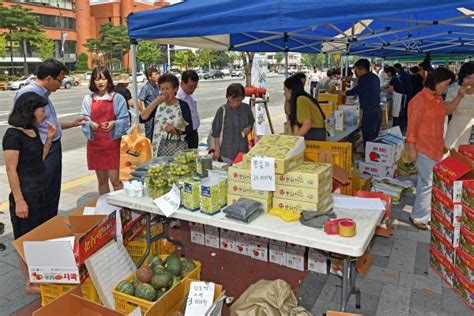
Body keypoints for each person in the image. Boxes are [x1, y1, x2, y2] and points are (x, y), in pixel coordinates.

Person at [13, 59, 85, 218]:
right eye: (60, 80)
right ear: (49, 78)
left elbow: (48, 124)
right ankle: (43, 225)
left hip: (51, 146)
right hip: (42, 150)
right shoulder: (29, 94)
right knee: (43, 190)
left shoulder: (43, 93)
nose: (61, 84)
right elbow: (23, 125)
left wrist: (71, 124)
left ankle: (50, 223)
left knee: (52, 189)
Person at [3, 92, 57, 293]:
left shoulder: (32, 130)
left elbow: (38, 160)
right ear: (30, 111)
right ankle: (29, 282)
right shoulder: (12, 135)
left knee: (41, 235)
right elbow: (11, 169)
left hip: (41, 191)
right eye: (42, 110)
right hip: (26, 194)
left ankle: (40, 274)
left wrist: (49, 140)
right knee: (25, 239)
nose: (44, 114)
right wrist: (19, 200)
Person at [406, 67, 466, 230]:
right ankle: (418, 217)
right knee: (428, 182)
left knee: (425, 182)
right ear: (437, 82)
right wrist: (411, 149)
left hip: (434, 148)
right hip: (422, 148)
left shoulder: (437, 98)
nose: (446, 88)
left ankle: (423, 214)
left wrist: (459, 97)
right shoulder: (419, 101)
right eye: (445, 84)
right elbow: (412, 128)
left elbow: (446, 111)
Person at [81, 67, 130, 195]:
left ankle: (121, 210)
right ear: (92, 81)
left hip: (113, 144)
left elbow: (125, 120)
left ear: (108, 80)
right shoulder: (88, 99)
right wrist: (90, 123)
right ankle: (105, 210)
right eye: (97, 79)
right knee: (102, 181)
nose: (100, 82)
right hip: (95, 145)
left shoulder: (118, 98)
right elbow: (84, 118)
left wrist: (114, 123)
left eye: (103, 78)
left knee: (116, 181)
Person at [140, 74, 192, 156]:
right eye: (162, 89)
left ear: (175, 89)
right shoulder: (158, 105)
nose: (164, 92)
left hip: (176, 148)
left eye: (167, 89)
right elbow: (142, 118)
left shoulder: (182, 105)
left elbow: (189, 128)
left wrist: (174, 130)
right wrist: (156, 101)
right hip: (157, 148)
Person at [211, 83, 255, 162]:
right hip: (226, 153)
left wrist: (248, 128)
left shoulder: (246, 108)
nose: (235, 103)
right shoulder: (222, 110)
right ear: (227, 97)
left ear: (242, 98)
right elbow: (216, 133)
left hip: (242, 151)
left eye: (238, 100)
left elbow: (251, 123)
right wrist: (217, 150)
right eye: (232, 100)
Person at [341, 59, 381, 143]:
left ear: (362, 69)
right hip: (377, 111)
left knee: (368, 136)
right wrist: (349, 78)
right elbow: (360, 82)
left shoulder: (364, 79)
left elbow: (352, 92)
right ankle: (370, 153)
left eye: (356, 69)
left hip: (369, 112)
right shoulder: (374, 77)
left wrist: (340, 93)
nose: (355, 72)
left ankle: (367, 154)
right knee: (374, 136)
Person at [284, 76, 326, 140]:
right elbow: (287, 112)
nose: (284, 93)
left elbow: (307, 124)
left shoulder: (301, 100)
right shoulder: (301, 98)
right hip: (316, 133)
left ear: (291, 90)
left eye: (285, 90)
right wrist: (287, 99)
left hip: (314, 135)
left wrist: (294, 140)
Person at [445, 62, 474, 150]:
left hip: (471, 132)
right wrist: (460, 96)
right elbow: (447, 111)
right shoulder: (453, 90)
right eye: (468, 77)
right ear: (462, 78)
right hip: (455, 130)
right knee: (455, 157)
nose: (472, 81)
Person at [177, 70, 200, 148]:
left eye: (195, 86)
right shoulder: (178, 98)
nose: (193, 89)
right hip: (183, 136)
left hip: (193, 133)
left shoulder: (189, 96)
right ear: (182, 83)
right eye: (190, 86)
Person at [138, 67, 160, 141]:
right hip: (149, 117)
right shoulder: (146, 87)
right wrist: (143, 112)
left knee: (156, 136)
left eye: (157, 74)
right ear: (149, 77)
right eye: (155, 74)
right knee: (149, 137)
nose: (158, 76)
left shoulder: (156, 86)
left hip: (157, 115)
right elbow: (139, 101)